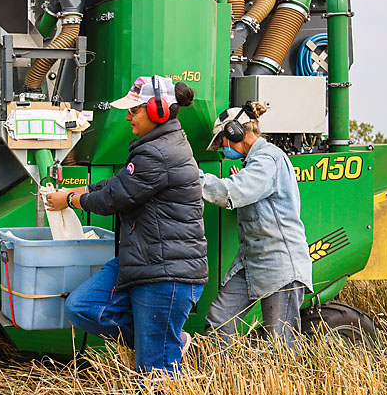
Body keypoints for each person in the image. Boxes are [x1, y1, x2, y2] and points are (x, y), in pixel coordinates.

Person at [45, 75, 206, 374]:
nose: (127, 116)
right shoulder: (155, 146)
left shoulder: (158, 153)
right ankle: (166, 339)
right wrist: (83, 190)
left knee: (153, 379)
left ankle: (164, 345)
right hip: (144, 260)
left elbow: (114, 199)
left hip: (165, 272)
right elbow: (121, 184)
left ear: (158, 111)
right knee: (82, 307)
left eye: (134, 110)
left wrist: (69, 199)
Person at [199, 103, 312, 348]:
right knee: (219, 321)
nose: (222, 150)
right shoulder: (253, 163)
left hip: (280, 263)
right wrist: (241, 179)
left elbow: (232, 192)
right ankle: (219, 371)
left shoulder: (268, 159)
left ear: (234, 132)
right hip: (251, 261)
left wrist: (192, 178)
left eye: (221, 142)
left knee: (280, 343)